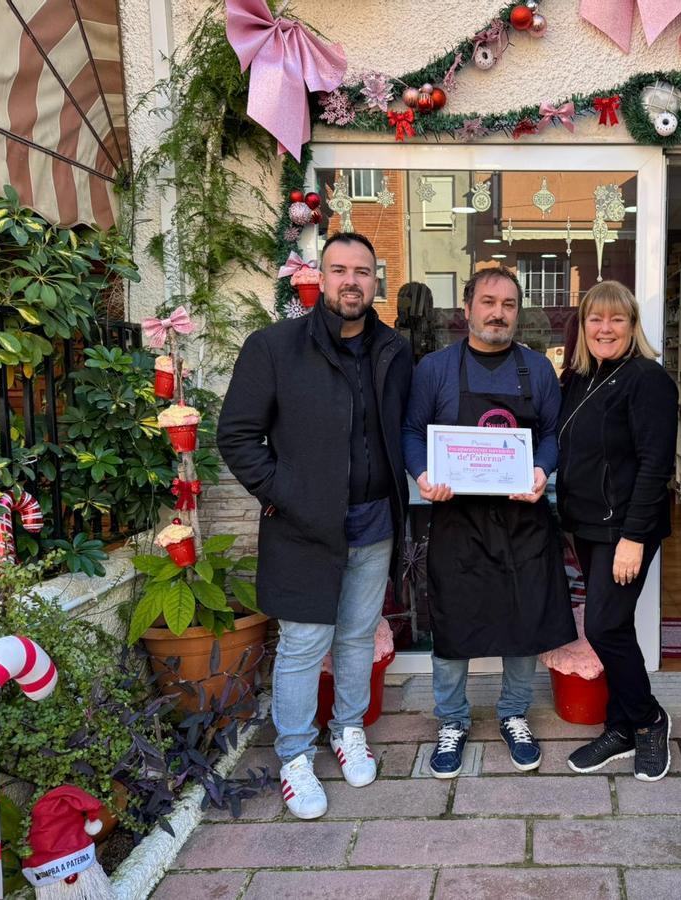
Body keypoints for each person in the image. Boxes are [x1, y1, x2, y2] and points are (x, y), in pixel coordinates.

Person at [217, 233, 413, 819]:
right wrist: (287, 495)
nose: (351, 281)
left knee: (356, 635)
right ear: (320, 278)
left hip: (374, 520)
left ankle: (347, 728)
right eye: (339, 270)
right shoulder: (274, 347)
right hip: (305, 526)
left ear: (376, 280)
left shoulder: (393, 350)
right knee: (304, 644)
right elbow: (237, 436)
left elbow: (402, 429)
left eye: (363, 271)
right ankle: (295, 755)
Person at [403, 266, 576, 778]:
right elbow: (413, 431)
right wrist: (423, 472)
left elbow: (551, 433)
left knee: (525, 618)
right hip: (458, 516)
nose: (497, 312)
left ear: (517, 313)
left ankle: (513, 713)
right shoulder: (435, 369)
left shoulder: (536, 370)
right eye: (487, 302)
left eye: (507, 304)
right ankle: (452, 720)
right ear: (467, 309)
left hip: (523, 515)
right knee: (453, 621)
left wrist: (543, 470)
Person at [555, 281, 678, 781]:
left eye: (617, 320)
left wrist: (633, 536)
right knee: (614, 624)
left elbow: (655, 465)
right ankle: (621, 725)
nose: (605, 329)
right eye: (595, 320)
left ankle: (648, 720)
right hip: (586, 524)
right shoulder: (579, 379)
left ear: (632, 326)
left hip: (624, 529)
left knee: (603, 625)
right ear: (583, 327)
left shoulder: (647, 379)